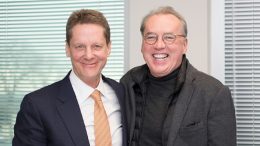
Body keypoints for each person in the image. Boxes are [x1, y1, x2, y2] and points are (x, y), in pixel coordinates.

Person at [120, 6, 236, 146]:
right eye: (151, 37)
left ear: (185, 45)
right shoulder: (128, 83)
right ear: (142, 44)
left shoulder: (213, 93)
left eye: (169, 37)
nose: (159, 45)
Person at [13, 9, 126, 146]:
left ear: (108, 48)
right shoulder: (37, 105)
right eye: (80, 46)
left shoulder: (124, 94)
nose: (89, 55)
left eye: (97, 46)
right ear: (67, 48)